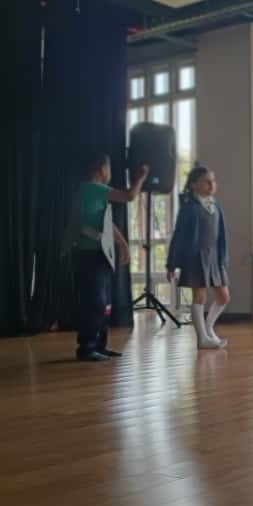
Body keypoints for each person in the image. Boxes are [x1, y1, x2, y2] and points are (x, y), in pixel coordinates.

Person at [69, 154, 147, 362]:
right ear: (102, 169)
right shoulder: (93, 188)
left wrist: (122, 243)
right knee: (95, 301)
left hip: (99, 254)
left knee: (104, 302)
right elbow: (130, 196)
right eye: (108, 168)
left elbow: (105, 222)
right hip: (89, 255)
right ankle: (86, 347)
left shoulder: (92, 192)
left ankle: (99, 345)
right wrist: (140, 177)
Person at [167, 166, 230, 350]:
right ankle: (202, 338)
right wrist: (171, 264)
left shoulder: (216, 206)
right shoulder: (189, 208)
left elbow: (221, 235)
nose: (212, 185)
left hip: (214, 257)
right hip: (196, 257)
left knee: (223, 296)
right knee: (199, 296)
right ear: (194, 185)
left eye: (213, 181)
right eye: (207, 181)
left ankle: (208, 327)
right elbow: (178, 236)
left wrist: (223, 257)